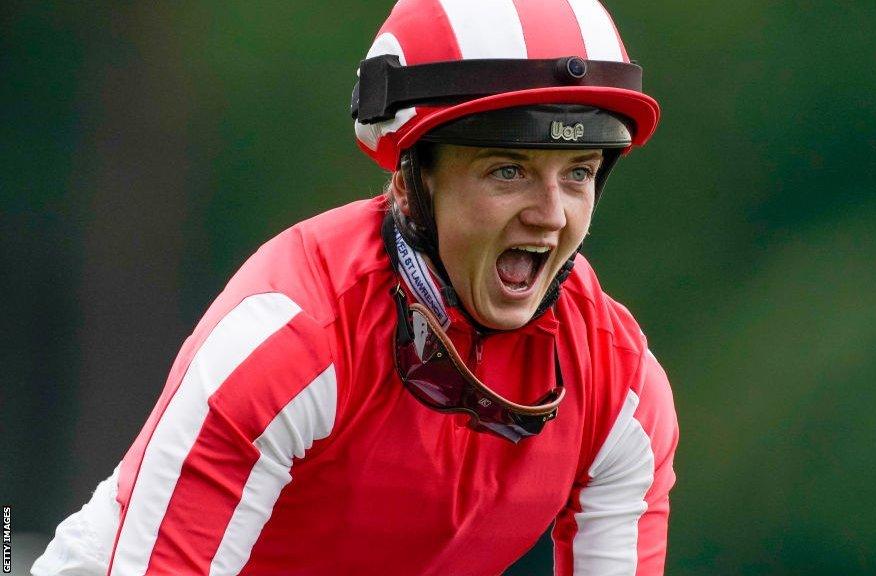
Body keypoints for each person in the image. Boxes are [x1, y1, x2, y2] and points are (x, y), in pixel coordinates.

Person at [33, 0, 679, 574]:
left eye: (578, 173)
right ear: (412, 176)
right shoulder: (287, 340)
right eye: (508, 170)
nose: (551, 214)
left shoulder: (622, 390)